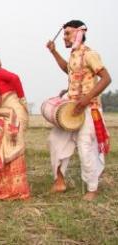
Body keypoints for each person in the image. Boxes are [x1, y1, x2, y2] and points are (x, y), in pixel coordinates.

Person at [46, 20, 111, 201]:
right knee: (55, 140)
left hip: (88, 108)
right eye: (64, 33)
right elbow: (68, 70)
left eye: (67, 33)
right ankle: (59, 181)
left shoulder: (90, 54)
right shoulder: (74, 54)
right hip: (71, 108)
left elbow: (106, 78)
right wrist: (53, 52)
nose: (64, 37)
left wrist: (86, 99)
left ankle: (92, 188)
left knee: (85, 147)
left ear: (78, 33)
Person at [0, 51, 31, 200]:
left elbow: (15, 78)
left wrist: (22, 99)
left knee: (12, 143)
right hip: (4, 115)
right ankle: (2, 185)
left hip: (14, 113)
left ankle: (17, 189)